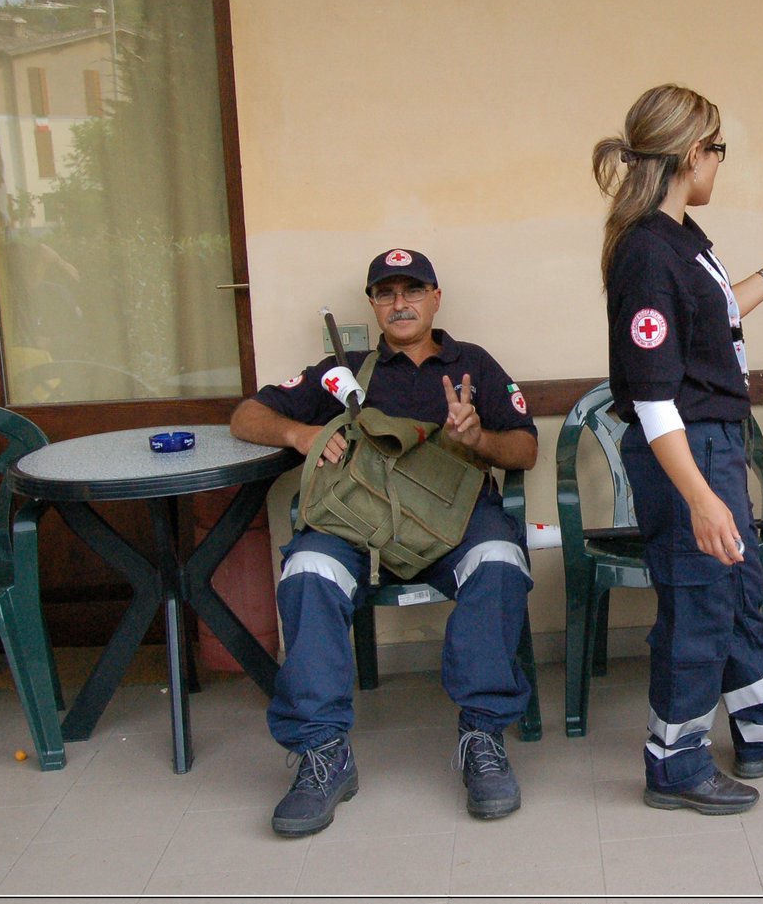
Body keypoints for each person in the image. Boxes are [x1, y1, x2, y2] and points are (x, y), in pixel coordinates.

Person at [230, 248, 538, 836]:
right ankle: (323, 754)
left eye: (413, 290)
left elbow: (525, 447)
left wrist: (478, 438)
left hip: (454, 523)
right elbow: (246, 416)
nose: (401, 303)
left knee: (499, 559)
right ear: (372, 304)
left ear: (436, 298)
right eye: (387, 293)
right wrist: (303, 432)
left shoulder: (473, 364)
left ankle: (483, 737)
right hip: (359, 527)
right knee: (306, 573)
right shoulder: (342, 371)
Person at [594, 83, 763, 815]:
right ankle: (675, 760)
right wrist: (699, 497)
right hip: (683, 452)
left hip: (714, 439)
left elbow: (710, 323)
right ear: (693, 153)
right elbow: (655, 394)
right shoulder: (645, 252)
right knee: (698, 602)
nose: (719, 163)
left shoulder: (680, 237)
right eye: (717, 149)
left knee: (737, 587)